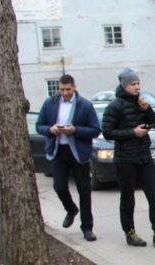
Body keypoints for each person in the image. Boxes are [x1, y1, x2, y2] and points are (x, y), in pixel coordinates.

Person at [101, 68, 155, 248]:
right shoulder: (115, 106)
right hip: (125, 159)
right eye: (133, 84)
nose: (137, 87)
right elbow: (107, 132)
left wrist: (147, 109)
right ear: (124, 86)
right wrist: (132, 132)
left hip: (144, 156)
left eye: (138, 83)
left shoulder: (140, 102)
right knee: (128, 198)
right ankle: (130, 232)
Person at [36, 74, 101, 242]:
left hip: (78, 153)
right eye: (62, 89)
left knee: (84, 191)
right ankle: (71, 209)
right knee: (59, 187)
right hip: (59, 151)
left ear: (74, 87)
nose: (65, 93)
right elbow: (39, 125)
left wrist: (75, 130)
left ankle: (87, 228)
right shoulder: (50, 103)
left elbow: (95, 129)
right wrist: (51, 130)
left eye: (68, 89)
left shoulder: (85, 105)